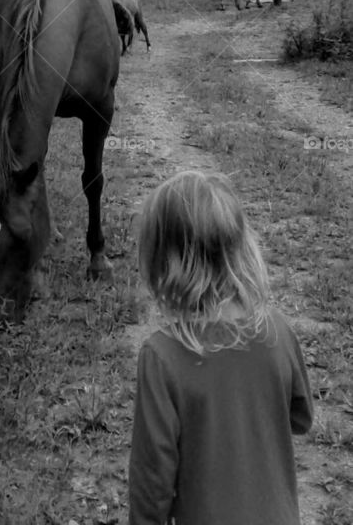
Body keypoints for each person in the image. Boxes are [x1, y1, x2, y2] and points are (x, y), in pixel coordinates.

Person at [128, 170, 314, 525]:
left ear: (165, 261)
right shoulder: (278, 329)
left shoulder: (161, 357)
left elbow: (152, 484)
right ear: (241, 247)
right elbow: (300, 418)